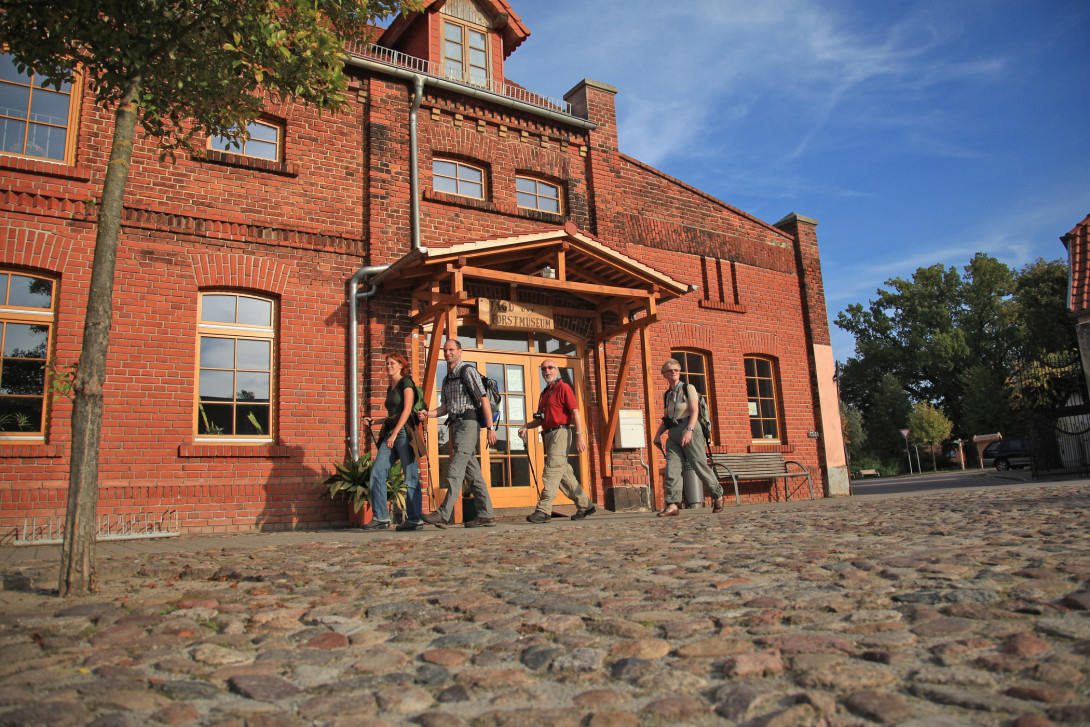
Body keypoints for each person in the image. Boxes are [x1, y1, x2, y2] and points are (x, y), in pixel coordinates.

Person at [417, 339, 498, 527]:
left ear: (460, 352)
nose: (448, 353)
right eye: (445, 350)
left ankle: (444, 514)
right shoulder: (446, 379)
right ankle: (486, 514)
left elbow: (483, 400)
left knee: (455, 468)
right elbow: (445, 407)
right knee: (473, 474)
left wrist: (491, 429)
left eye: (451, 350)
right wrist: (428, 414)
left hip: (469, 424)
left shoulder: (468, 372)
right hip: (455, 425)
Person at [518, 359, 595, 522]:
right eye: (544, 368)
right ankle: (585, 505)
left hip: (561, 433)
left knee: (552, 470)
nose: (547, 371)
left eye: (550, 367)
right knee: (564, 474)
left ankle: (543, 510)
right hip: (548, 434)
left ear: (557, 370)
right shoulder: (545, 393)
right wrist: (526, 426)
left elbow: (576, 411)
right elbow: (541, 419)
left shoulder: (563, 387)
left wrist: (580, 435)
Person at [652, 358, 725, 517]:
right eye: (670, 370)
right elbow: (668, 418)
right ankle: (672, 505)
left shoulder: (687, 388)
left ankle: (717, 495)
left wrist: (689, 430)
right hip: (674, 433)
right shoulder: (668, 394)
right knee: (673, 467)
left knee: (698, 464)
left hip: (689, 428)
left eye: (676, 370)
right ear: (664, 374)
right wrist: (658, 434)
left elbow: (694, 411)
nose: (673, 373)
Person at [361, 352, 424, 531]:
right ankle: (381, 517)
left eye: (392, 363)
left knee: (410, 476)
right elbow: (393, 415)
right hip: (392, 432)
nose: (388, 366)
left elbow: (406, 410)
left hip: (403, 433)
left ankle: (414, 519)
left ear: (400, 365)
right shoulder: (391, 388)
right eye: (387, 363)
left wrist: (395, 433)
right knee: (377, 472)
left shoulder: (406, 383)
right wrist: (374, 421)